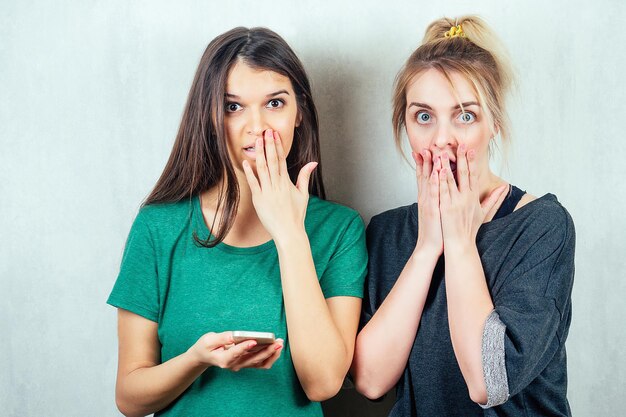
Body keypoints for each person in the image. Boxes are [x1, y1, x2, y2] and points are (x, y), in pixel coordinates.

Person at [107, 27, 367, 417]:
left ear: (300, 112)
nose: (256, 125)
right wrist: (196, 359)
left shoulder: (339, 229)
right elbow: (130, 397)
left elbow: (325, 382)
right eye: (233, 107)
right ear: (209, 118)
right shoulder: (158, 227)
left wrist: (290, 233)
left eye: (275, 103)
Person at [351, 16, 575, 416]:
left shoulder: (542, 225)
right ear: (405, 123)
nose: (441, 139)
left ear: (494, 123)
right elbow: (370, 381)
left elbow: (489, 383)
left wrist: (458, 242)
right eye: (424, 116)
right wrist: (427, 247)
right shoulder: (387, 232)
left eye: (465, 115)